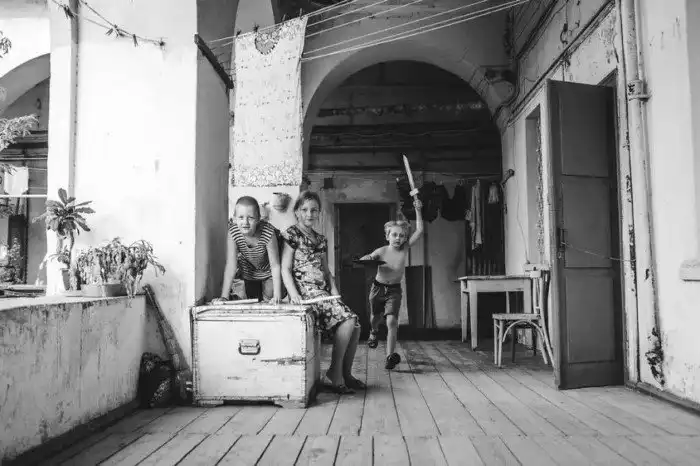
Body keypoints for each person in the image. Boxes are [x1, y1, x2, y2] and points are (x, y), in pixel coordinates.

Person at [281, 191, 364, 394]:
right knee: (349, 320)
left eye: (314, 210)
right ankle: (334, 373)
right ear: (297, 212)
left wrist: (335, 291)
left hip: (323, 292)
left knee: (356, 326)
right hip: (306, 294)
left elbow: (326, 271)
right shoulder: (292, 234)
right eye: (304, 210)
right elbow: (285, 268)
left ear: (319, 213)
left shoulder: (320, 239)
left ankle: (346, 374)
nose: (309, 214)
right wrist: (293, 294)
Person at [359, 198, 423, 370]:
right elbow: (368, 258)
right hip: (378, 288)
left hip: (394, 290)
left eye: (401, 236)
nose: (398, 238)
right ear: (387, 236)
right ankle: (373, 332)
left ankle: (389, 356)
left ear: (405, 238)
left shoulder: (405, 248)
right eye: (394, 235)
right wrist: (367, 258)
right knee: (375, 317)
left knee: (392, 321)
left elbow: (419, 230)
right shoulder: (381, 251)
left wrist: (418, 211)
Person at [214, 196, 283, 303]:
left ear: (259, 218)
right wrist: (224, 296)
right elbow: (231, 265)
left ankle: (270, 297)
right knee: (254, 301)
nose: (245, 222)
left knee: (270, 296)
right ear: (234, 218)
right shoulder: (233, 232)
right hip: (249, 273)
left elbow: (275, 265)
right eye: (241, 217)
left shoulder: (268, 232)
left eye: (250, 218)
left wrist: (277, 295)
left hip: (268, 272)